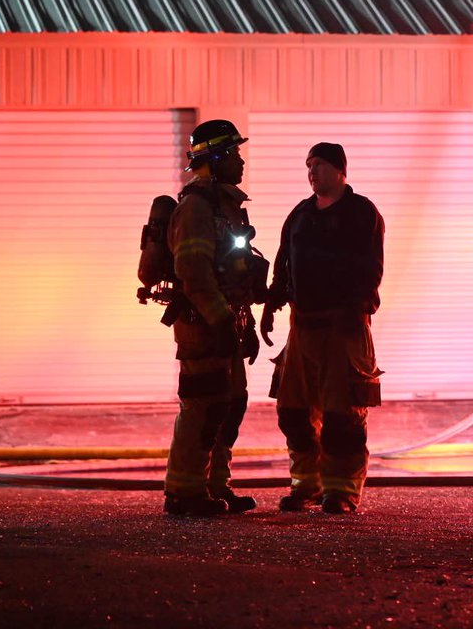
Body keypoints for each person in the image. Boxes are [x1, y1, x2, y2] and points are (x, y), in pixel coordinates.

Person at [261, 142, 385, 514]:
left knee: (342, 414)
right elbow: (284, 263)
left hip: (343, 327)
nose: (311, 173)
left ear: (339, 169)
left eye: (317, 165)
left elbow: (370, 268)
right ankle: (306, 485)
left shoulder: (361, 213)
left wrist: (356, 311)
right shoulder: (300, 214)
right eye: (308, 166)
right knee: (293, 411)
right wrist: (272, 305)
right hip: (303, 327)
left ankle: (342, 490)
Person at [163, 119, 265, 516]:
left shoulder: (227, 206)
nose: (241, 161)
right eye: (235, 153)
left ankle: (215, 486)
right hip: (202, 326)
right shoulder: (195, 208)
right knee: (204, 405)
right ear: (218, 157)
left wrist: (247, 325)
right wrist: (220, 320)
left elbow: (235, 273)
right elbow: (193, 271)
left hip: (228, 321)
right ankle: (184, 492)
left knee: (230, 404)